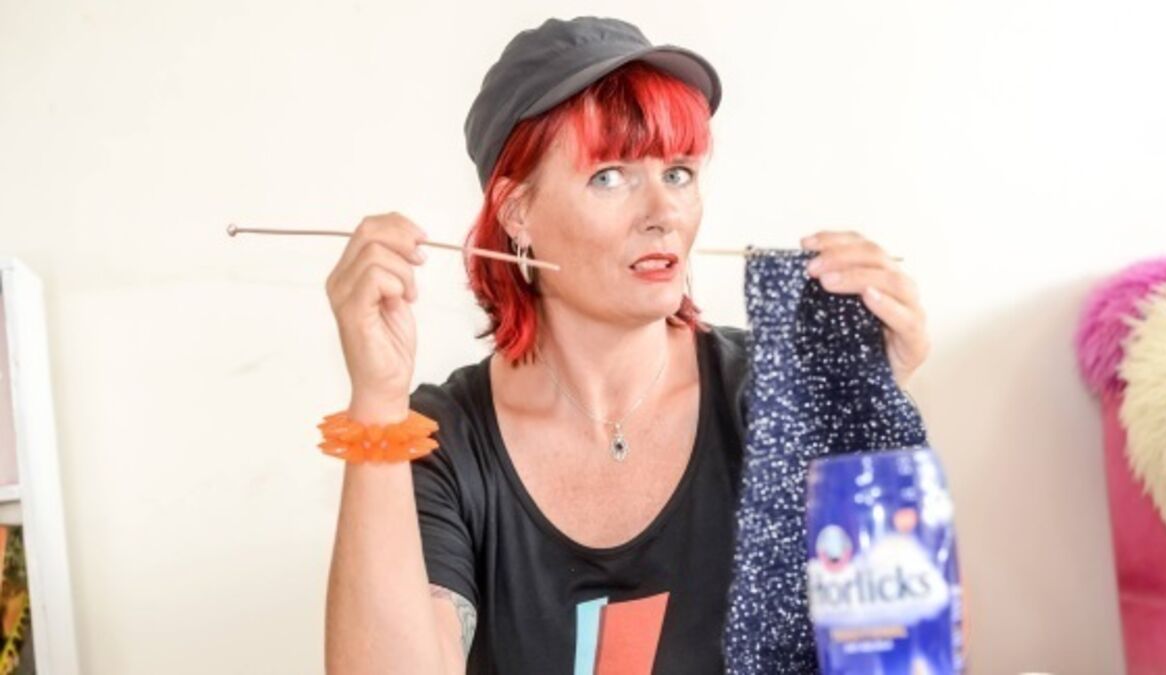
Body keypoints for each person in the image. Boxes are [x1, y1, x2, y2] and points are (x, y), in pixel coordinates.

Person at [323, 16, 930, 675]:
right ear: (516, 211)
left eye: (678, 172)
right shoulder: (440, 441)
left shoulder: (774, 396)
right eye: (609, 176)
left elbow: (902, 653)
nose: (663, 213)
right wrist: (376, 400)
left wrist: (865, 423)